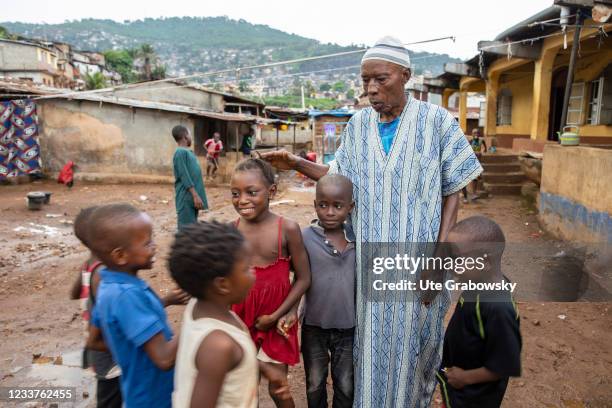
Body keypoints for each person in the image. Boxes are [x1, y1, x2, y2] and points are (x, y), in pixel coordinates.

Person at [262, 36, 483, 406]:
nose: (371, 89)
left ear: (405, 76)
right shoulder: (359, 125)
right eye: (365, 81)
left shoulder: (438, 123)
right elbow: (337, 179)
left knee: (414, 351)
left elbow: (453, 192)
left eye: (381, 79)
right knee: (366, 350)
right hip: (367, 265)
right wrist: (296, 162)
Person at [230, 158, 311, 408]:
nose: (242, 200)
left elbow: (304, 277)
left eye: (251, 192)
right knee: (245, 387)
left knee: (279, 388)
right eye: (235, 193)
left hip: (277, 322)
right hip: (241, 319)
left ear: (272, 192)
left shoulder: (286, 229)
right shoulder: (230, 231)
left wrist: (281, 313)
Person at [86, 204, 179, 408]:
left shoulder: (109, 286)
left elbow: (94, 339)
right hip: (155, 399)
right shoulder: (126, 295)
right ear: (120, 255)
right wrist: (197, 316)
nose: (154, 246)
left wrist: (131, 350)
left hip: (137, 393)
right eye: (147, 243)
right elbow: (164, 359)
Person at [170, 221, 259, 408]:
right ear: (222, 284)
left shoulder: (197, 306)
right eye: (247, 268)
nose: (254, 273)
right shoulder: (219, 345)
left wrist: (261, 366)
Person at [437, 216, 522, 407]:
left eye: (456, 258)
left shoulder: (499, 307)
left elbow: (505, 364)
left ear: (485, 262)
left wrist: (465, 378)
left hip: (474, 397)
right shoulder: (477, 282)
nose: (450, 264)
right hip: (458, 390)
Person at [301, 174, 356, 408]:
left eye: (338, 206)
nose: (330, 212)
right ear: (315, 205)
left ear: (350, 207)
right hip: (313, 326)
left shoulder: (359, 240)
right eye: (323, 205)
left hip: (348, 327)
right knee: (314, 383)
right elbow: (297, 278)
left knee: (345, 384)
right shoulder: (305, 238)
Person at [70, 206, 122, 408]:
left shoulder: (89, 265)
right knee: (110, 398)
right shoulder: (102, 272)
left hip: (96, 346)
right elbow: (112, 314)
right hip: (108, 351)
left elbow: (74, 293)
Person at [172, 125, 209, 230]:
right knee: (186, 231)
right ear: (185, 136)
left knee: (191, 229)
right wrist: (195, 195)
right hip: (186, 197)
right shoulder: (180, 152)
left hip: (191, 199)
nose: (191, 137)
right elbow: (184, 175)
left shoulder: (188, 152)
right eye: (190, 134)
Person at [462, 128, 488, 203]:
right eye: (474, 133)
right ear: (472, 135)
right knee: (466, 179)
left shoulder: (481, 140)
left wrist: (483, 151)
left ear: (479, 134)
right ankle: (466, 197)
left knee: (476, 178)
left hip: (477, 162)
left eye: (477, 133)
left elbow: (485, 147)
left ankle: (473, 193)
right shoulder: (470, 141)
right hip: (470, 161)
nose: (476, 134)